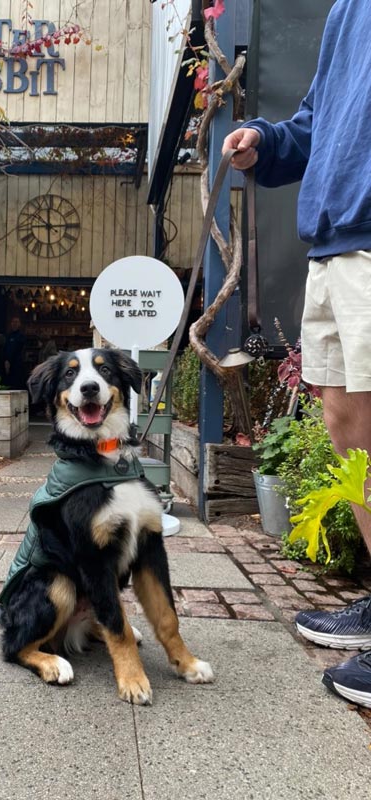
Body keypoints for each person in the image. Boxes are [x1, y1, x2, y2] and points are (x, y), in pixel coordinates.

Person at [222, 0, 371, 708]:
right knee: (350, 429)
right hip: (334, 240)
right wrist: (266, 139)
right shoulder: (348, 9)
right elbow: (317, 120)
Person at [3, 316, 27, 389]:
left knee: (16, 383)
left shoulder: (21, 336)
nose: (14, 324)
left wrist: (9, 361)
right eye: (13, 322)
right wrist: (6, 360)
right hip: (7, 363)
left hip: (17, 363)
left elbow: (17, 349)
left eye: (16, 322)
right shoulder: (8, 335)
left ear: (19, 324)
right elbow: (5, 349)